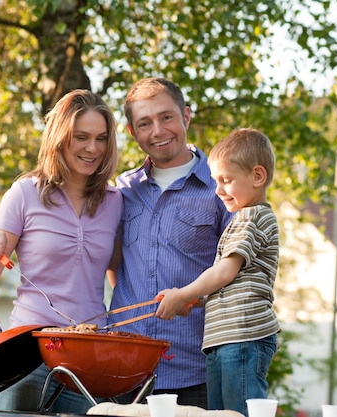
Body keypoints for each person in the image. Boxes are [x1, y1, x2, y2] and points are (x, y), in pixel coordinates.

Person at [0, 89, 122, 414]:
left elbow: (119, 276)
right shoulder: (26, 193)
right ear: (59, 138)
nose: (92, 148)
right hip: (26, 353)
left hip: (89, 357)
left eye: (101, 138)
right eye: (81, 137)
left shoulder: (115, 202)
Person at [107, 78, 234, 409]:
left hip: (194, 371)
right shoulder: (123, 190)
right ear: (133, 133)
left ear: (186, 117)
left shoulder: (223, 190)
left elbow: (237, 273)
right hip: (122, 370)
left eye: (167, 117)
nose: (158, 131)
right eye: (145, 123)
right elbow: (114, 263)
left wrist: (192, 297)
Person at [155, 127, 280, 415]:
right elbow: (231, 283)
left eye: (226, 181)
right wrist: (194, 301)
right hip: (224, 337)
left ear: (257, 176)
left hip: (243, 336)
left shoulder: (252, 218)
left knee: (239, 411)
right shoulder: (240, 219)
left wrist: (181, 293)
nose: (218, 190)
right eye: (215, 181)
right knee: (221, 413)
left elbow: (224, 272)